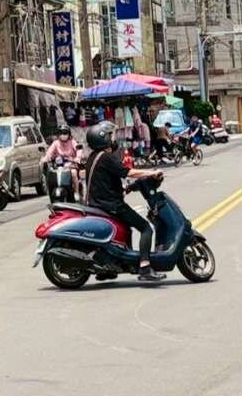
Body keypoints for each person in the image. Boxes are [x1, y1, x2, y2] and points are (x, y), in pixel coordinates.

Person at [82, 121, 166, 283]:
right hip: (112, 206)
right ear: (102, 139)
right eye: (109, 136)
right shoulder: (106, 157)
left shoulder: (93, 157)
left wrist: (125, 189)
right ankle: (145, 267)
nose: (112, 139)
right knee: (146, 228)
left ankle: (112, 266)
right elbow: (129, 172)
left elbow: (104, 181)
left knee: (126, 229)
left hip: (98, 204)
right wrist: (152, 172)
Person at [43, 128, 80, 201]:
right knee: (50, 173)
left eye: (65, 133)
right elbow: (49, 152)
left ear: (69, 134)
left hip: (70, 165)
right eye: (61, 133)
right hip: (58, 167)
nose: (63, 135)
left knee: (73, 173)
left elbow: (78, 150)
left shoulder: (72, 142)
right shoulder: (55, 143)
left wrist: (77, 158)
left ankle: (76, 192)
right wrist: (46, 158)